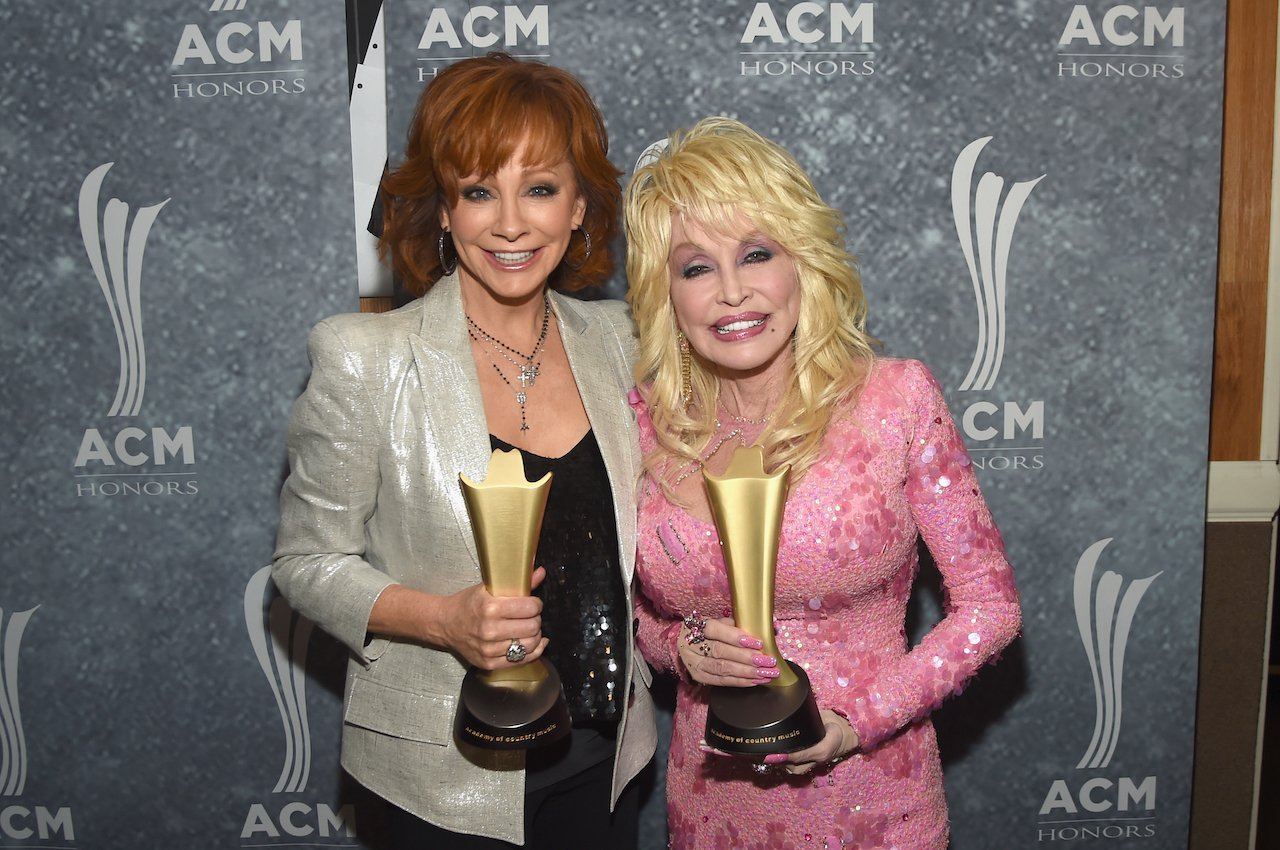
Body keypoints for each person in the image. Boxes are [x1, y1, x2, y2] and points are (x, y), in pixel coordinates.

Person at [272, 52, 655, 849]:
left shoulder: (622, 343)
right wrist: (443, 620)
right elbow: (307, 564)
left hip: (606, 766)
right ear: (443, 210)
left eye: (541, 189)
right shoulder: (365, 358)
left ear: (580, 205)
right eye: (480, 190)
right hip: (438, 784)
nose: (511, 223)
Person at [623, 117, 1021, 850]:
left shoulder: (894, 399)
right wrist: (680, 649)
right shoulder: (644, 426)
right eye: (697, 267)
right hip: (710, 806)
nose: (733, 292)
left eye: (756, 254)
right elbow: (639, 617)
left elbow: (989, 608)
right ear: (666, 293)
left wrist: (857, 723)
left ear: (802, 262)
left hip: (871, 801)